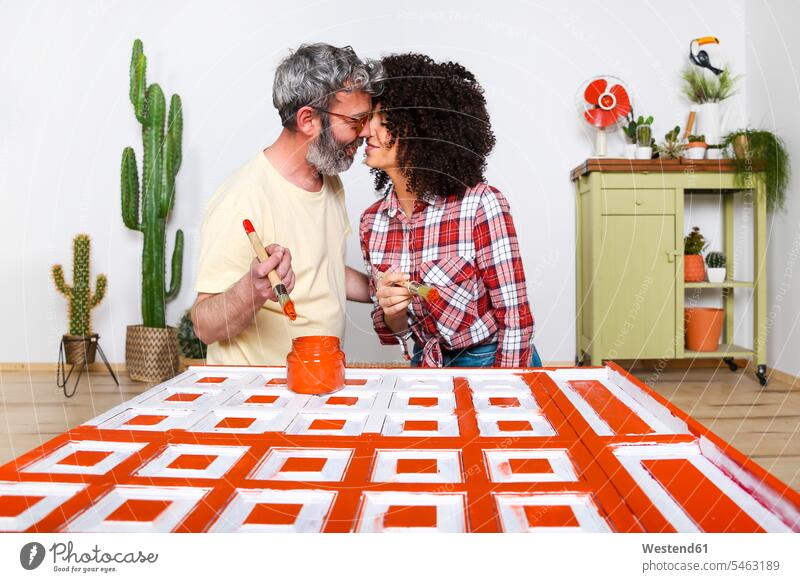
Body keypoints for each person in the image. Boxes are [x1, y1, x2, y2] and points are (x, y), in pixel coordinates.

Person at [192, 44, 382, 365]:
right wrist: (252, 290)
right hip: (259, 397)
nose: (366, 131)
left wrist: (382, 288)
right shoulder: (241, 200)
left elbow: (325, 268)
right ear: (308, 120)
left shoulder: (329, 179)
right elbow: (204, 326)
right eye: (355, 120)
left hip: (316, 384)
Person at [359, 53, 541, 368]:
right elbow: (395, 332)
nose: (365, 133)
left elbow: (515, 318)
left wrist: (504, 394)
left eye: (384, 122)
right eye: (367, 120)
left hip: (490, 362)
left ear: (423, 132)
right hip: (427, 364)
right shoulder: (372, 223)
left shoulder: (480, 205)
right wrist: (393, 313)